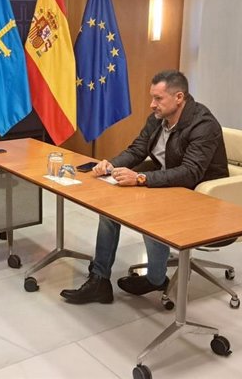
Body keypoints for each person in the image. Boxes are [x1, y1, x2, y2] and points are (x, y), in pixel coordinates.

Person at [60, 70, 229, 304]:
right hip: (168, 184)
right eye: (152, 98)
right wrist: (109, 164)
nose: (152, 105)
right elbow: (138, 150)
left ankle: (156, 279)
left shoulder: (203, 125)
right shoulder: (158, 119)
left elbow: (191, 173)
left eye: (158, 99)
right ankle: (99, 280)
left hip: (199, 196)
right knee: (110, 209)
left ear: (179, 97)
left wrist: (141, 178)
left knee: (147, 212)